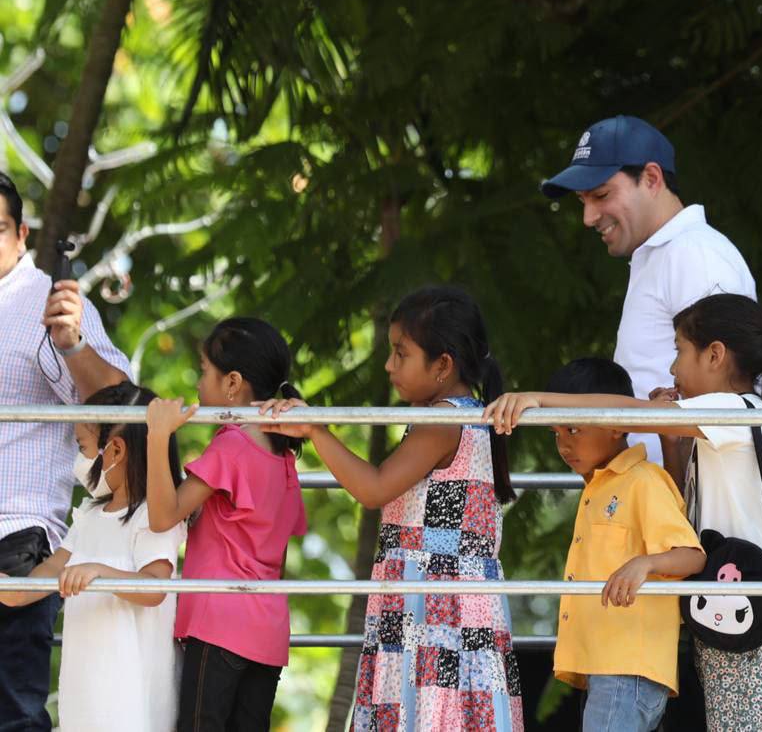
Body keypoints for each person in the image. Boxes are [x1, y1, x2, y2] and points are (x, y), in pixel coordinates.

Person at [485, 293, 762, 731]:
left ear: (715, 355)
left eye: (679, 351)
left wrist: (539, 400)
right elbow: (682, 507)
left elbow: (627, 415)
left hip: (757, 604)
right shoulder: (721, 424)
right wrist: (673, 441)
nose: (673, 369)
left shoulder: (736, 411)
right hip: (733, 599)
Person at [259, 286, 524, 731]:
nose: (389, 366)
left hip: (438, 608)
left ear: (443, 365)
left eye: (401, 354)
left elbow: (374, 488)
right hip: (440, 602)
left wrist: (317, 430)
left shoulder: (445, 422)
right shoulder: (462, 416)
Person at [540, 115, 756, 467]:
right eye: (583, 200)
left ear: (652, 178)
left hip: (689, 512)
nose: (588, 216)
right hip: (657, 503)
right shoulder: (665, 254)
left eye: (601, 195)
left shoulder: (695, 254)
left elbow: (724, 403)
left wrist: (680, 512)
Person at [0, 172, 131, 730]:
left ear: (21, 233)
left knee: (13, 712)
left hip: (14, 532)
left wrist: (72, 344)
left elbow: (118, 407)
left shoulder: (47, 303)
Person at [144, 318, 309, 731]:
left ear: (232, 383)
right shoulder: (285, 457)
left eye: (204, 372)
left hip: (219, 625)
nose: (200, 384)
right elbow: (280, 556)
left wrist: (157, 435)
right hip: (268, 635)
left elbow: (163, 516)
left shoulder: (233, 445)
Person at [0, 381, 185, 732]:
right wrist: (13, 590)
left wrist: (100, 572)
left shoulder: (152, 516)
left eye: (83, 448)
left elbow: (155, 588)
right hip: (87, 690)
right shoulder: (89, 512)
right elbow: (53, 568)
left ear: (114, 450)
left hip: (131, 696)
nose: (79, 461)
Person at [536, 358, 704, 732]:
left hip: (628, 667)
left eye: (574, 429)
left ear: (617, 425)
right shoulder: (602, 486)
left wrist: (644, 564)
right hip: (607, 665)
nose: (563, 444)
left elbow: (691, 556)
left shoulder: (642, 480)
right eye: (555, 432)